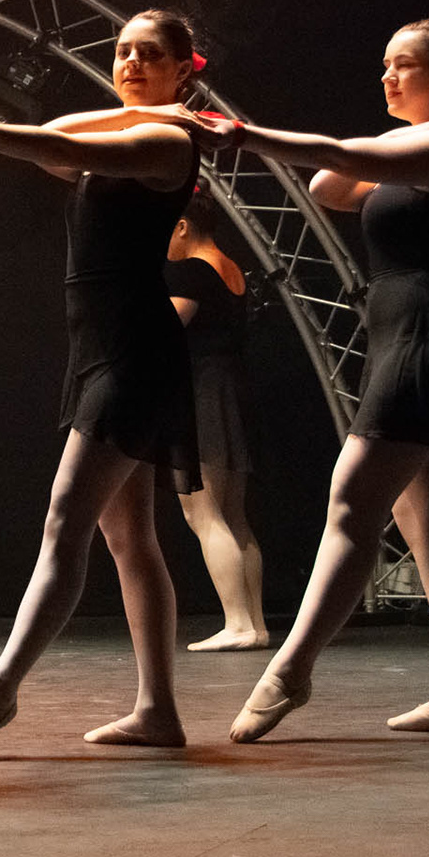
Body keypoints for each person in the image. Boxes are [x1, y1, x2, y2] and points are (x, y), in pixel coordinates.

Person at [174, 19, 429, 741]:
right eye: (383, 64)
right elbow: (330, 186)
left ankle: (290, 671)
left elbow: (335, 157)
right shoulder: (412, 149)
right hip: (410, 334)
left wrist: (247, 137)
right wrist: (389, 141)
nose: (386, 77)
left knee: (353, 501)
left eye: (402, 65)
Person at [0, 8, 202, 759]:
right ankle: (158, 710)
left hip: (135, 351)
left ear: (183, 70)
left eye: (149, 55)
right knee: (129, 536)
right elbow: (62, 139)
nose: (130, 63)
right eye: (123, 51)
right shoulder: (131, 129)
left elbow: (60, 145)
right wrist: (125, 109)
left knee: (65, 521)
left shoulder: (170, 142)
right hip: (99, 348)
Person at [166, 186, 267, 651]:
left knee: (202, 512)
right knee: (233, 513)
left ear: (183, 226)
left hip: (203, 393)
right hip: (233, 389)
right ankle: (255, 624)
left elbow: (166, 331)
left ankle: (237, 623)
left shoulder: (192, 270)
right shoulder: (232, 268)